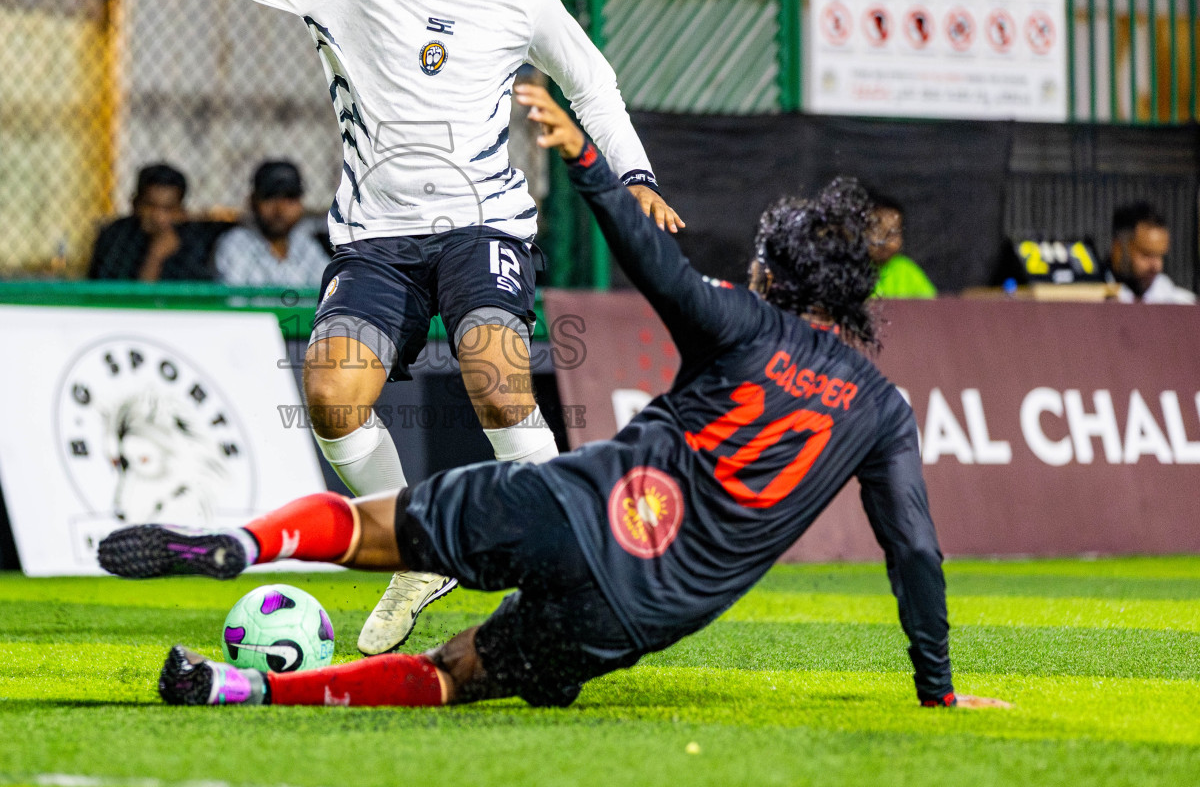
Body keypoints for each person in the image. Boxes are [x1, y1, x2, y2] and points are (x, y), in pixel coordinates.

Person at [97, 90, 1010, 714]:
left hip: (575, 510)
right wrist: (935, 689)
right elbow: (917, 554)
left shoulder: (742, 322)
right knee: (457, 674)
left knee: (379, 524)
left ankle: (244, 545)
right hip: (642, 615)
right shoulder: (883, 408)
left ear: (772, 270)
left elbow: (655, 262)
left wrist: (583, 155)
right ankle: (243, 692)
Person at [188, 0, 681, 654]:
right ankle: (415, 553)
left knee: (493, 371)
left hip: (481, 223)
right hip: (374, 240)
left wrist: (635, 177)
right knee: (332, 396)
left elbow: (593, 87)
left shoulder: (523, 2)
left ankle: (560, 553)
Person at [87, 163, 232, 282]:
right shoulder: (115, 236)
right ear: (135, 204)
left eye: (168, 209)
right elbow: (130, 301)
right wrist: (155, 257)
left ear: (181, 212)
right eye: (150, 206)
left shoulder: (193, 241)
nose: (158, 217)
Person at [213, 160, 331, 287]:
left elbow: (329, 296)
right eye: (270, 197)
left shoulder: (305, 245)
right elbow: (236, 302)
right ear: (253, 201)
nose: (280, 209)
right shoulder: (236, 243)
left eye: (289, 197)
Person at [1107, 202, 1195, 304]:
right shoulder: (1090, 296)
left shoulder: (1178, 303)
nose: (1156, 266)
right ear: (1118, 249)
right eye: (1146, 254)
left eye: (1160, 256)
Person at [867, 194, 936, 299]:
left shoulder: (906, 270)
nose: (884, 241)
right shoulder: (849, 269)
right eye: (877, 231)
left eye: (893, 234)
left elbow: (932, 306)